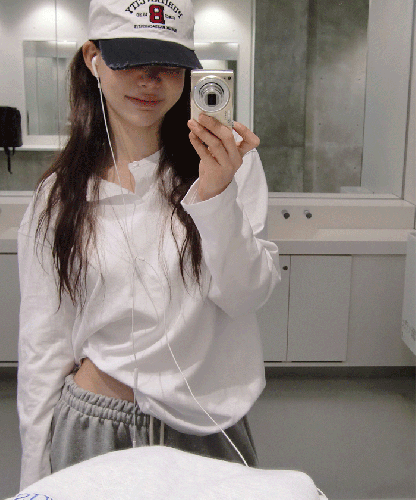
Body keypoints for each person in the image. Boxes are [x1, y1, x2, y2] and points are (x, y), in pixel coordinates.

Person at [17, 0, 280, 490]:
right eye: (131, 60)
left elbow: (246, 296)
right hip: (95, 426)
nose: (150, 80)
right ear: (94, 58)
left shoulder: (231, 167)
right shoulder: (60, 197)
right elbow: (42, 345)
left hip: (207, 426)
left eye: (169, 65)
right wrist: (35, 477)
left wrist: (216, 196)